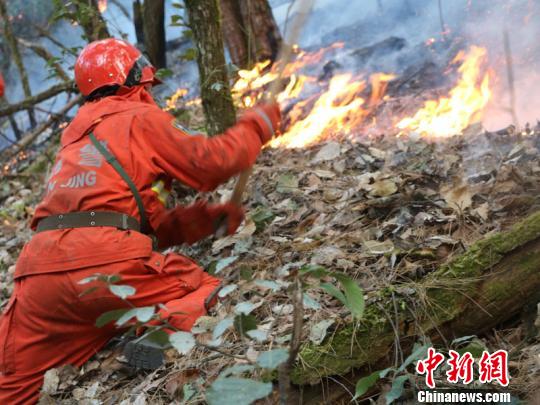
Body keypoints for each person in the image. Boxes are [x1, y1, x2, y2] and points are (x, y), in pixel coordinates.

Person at [0, 38, 281, 404]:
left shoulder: (71, 145)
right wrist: (256, 125)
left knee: (11, 381)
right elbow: (210, 163)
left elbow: (119, 221)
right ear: (135, 81)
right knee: (204, 291)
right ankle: (153, 342)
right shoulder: (138, 117)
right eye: (148, 87)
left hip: (38, 276)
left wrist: (204, 221)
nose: (151, 95)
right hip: (105, 265)